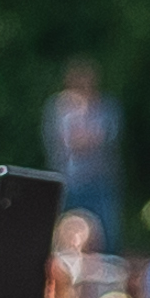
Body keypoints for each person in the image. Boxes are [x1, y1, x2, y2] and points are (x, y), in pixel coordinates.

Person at [48, 58, 127, 255]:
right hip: (68, 181)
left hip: (100, 180)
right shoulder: (58, 107)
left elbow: (103, 138)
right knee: (65, 231)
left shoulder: (106, 107)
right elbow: (66, 141)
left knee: (106, 234)